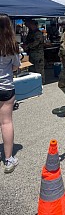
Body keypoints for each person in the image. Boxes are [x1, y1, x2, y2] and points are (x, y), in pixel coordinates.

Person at [0, 14, 21, 173]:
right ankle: (8, 159)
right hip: (5, 87)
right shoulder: (11, 45)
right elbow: (15, 67)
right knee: (6, 122)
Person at [22, 19, 45, 84]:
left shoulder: (38, 33)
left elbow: (36, 43)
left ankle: (41, 82)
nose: (28, 26)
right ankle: (33, 82)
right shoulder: (31, 32)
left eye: (29, 24)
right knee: (32, 68)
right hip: (31, 53)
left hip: (38, 54)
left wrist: (27, 46)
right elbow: (28, 40)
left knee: (39, 69)